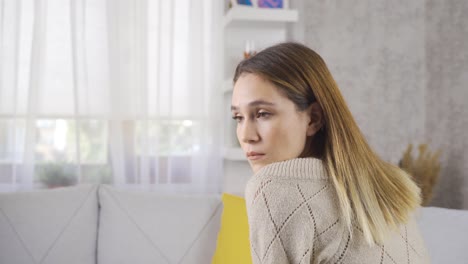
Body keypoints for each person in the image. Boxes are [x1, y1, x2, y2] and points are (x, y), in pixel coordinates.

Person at [230, 42, 430, 263]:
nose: (246, 135)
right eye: (238, 117)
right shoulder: (388, 186)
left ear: (313, 118)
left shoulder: (273, 188)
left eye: (263, 114)